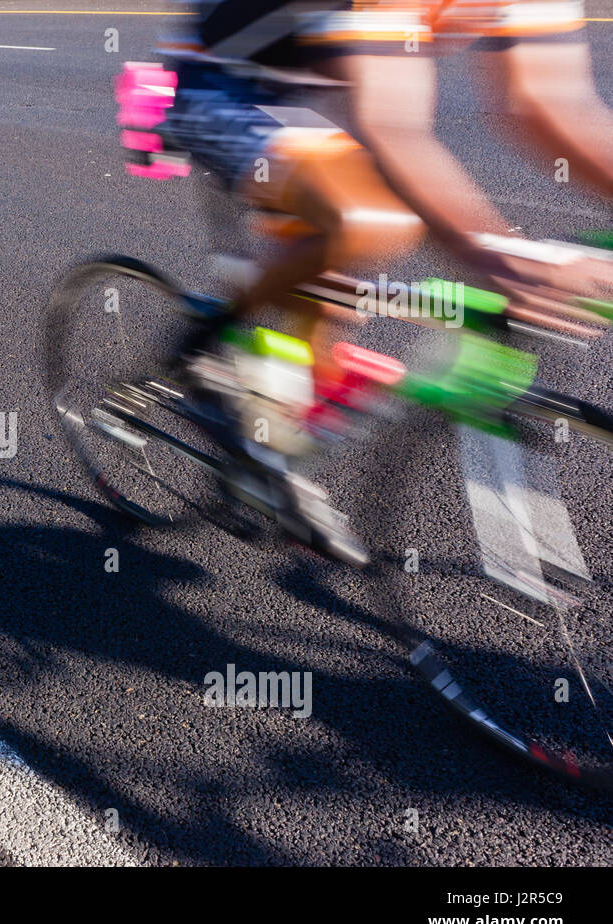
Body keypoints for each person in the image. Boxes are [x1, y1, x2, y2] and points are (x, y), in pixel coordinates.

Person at [147, 0, 613, 563]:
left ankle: (278, 408)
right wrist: (494, 253)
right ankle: (208, 336)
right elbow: (390, 126)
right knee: (368, 222)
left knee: (345, 263)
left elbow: (551, 103)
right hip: (227, 83)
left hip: (330, 82)